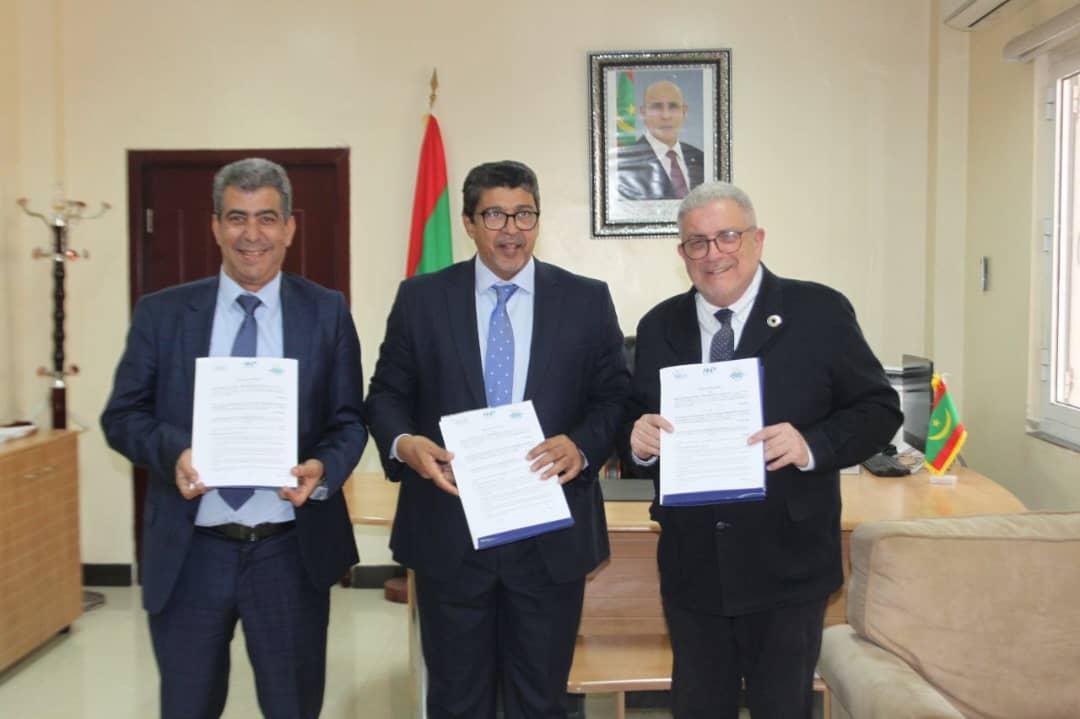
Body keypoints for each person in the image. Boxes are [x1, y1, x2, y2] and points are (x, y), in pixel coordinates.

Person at [101, 157, 367, 719]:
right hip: (192, 549)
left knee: (293, 707)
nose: (253, 234)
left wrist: (322, 468)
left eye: (267, 218)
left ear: (291, 227)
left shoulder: (326, 312)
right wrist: (173, 452)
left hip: (288, 551)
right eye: (237, 218)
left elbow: (349, 421)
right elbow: (122, 416)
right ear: (216, 226)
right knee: (188, 707)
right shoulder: (163, 314)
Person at [624, 181, 901, 718]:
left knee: (783, 709)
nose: (714, 253)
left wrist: (811, 443)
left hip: (787, 563)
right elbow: (633, 417)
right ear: (682, 254)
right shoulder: (658, 326)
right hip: (693, 566)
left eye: (728, 235)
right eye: (697, 242)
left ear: (757, 240)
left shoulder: (817, 310)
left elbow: (878, 410)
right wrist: (638, 441)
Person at [366, 160, 629, 719]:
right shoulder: (421, 299)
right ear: (468, 221)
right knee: (458, 700)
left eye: (524, 214)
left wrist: (581, 447)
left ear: (537, 220)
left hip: (549, 535)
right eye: (495, 214)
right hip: (449, 532)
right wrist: (404, 443)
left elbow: (615, 398)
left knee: (543, 700)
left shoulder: (585, 299)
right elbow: (386, 395)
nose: (511, 229)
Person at [617, 80, 705, 201]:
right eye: (656, 107)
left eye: (673, 106)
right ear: (643, 113)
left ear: (684, 112)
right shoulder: (624, 161)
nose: (666, 115)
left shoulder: (701, 159)